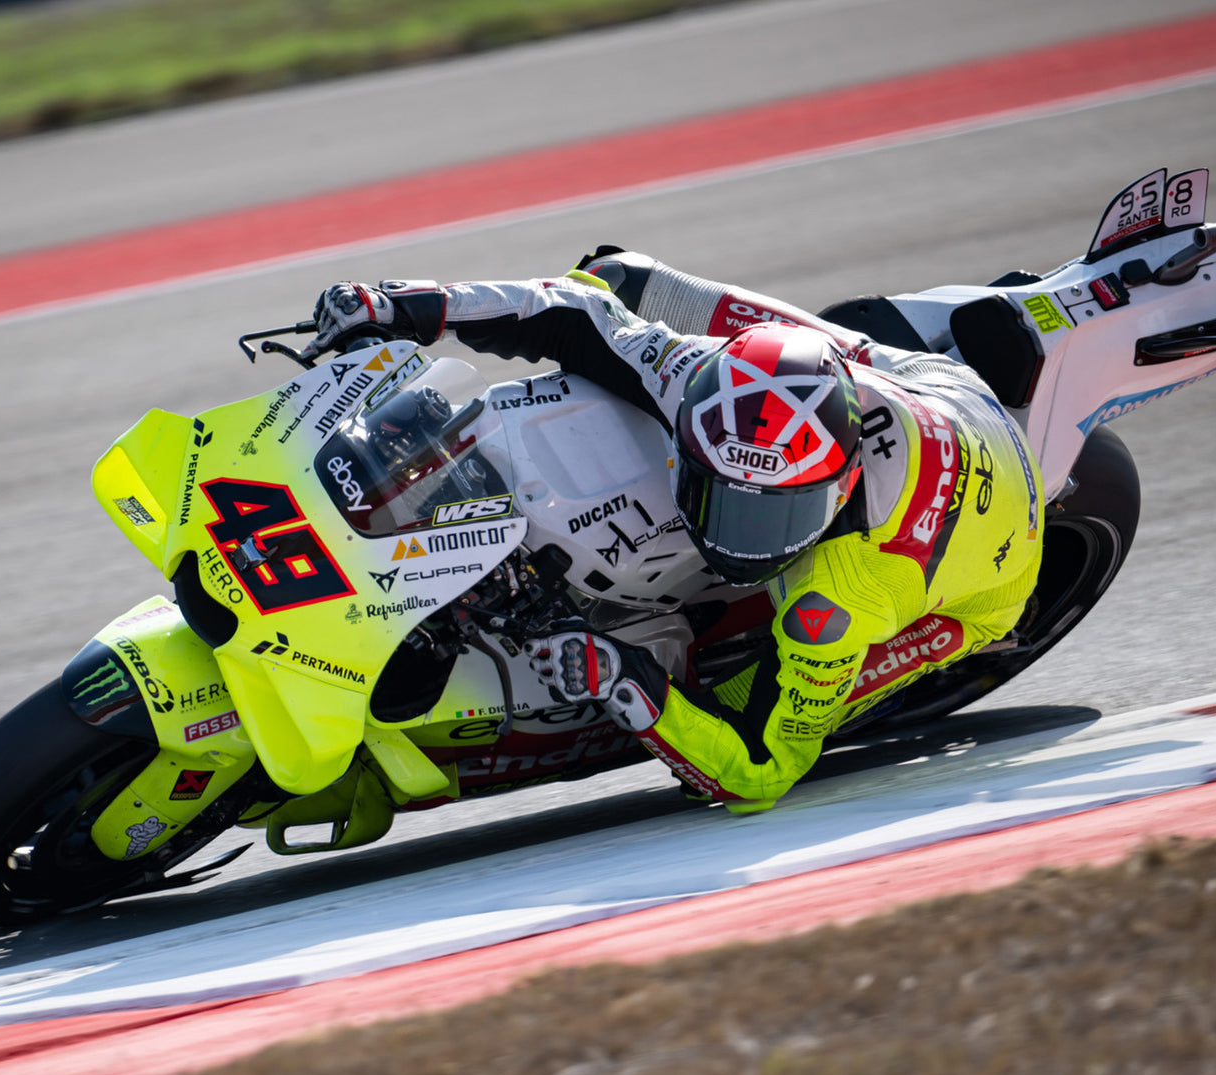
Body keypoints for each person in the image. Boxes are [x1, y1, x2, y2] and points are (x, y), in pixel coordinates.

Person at [304, 261, 1044, 813]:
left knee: (721, 705)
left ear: (839, 487)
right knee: (614, 275)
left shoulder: (839, 600)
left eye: (771, 518)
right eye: (718, 494)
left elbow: (761, 773)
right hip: (921, 380)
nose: (737, 541)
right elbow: (572, 310)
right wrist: (401, 305)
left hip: (990, 569)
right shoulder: (696, 375)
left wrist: (624, 679)